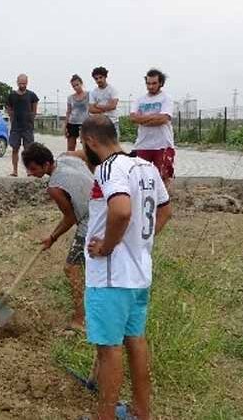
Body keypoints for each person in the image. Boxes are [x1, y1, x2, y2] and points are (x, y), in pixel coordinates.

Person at [79, 115, 172, 420]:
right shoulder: (146, 167)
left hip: (111, 277)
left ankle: (105, 416)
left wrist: (107, 246)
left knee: (109, 350)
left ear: (91, 141)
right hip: (139, 275)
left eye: (83, 144)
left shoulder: (109, 168)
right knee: (136, 342)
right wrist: (139, 243)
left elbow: (120, 211)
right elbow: (165, 211)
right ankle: (141, 411)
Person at [22, 142, 93, 333]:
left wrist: (52, 238)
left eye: (33, 168)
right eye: (28, 169)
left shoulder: (54, 187)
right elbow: (88, 154)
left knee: (72, 268)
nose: (30, 173)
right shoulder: (69, 156)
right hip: (105, 210)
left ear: (46, 164)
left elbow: (70, 218)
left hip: (91, 223)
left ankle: (80, 319)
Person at [130, 69, 175, 191]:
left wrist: (143, 118)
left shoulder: (166, 98)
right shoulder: (139, 100)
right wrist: (155, 117)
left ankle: (165, 202)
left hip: (162, 144)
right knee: (141, 175)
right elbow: (133, 118)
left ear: (160, 83)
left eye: (154, 83)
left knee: (164, 175)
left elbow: (164, 118)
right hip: (143, 144)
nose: (151, 86)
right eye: (148, 83)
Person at [6, 74, 39, 177]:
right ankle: (15, 171)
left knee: (28, 150)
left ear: (27, 82)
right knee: (15, 149)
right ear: (17, 82)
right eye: (20, 83)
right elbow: (9, 108)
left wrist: (31, 119)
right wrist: (12, 118)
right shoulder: (12, 95)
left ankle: (29, 171)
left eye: (24, 83)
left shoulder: (32, 95)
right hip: (16, 127)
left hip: (27, 127)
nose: (22, 85)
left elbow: (34, 109)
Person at [89, 67, 120, 137]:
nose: (98, 80)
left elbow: (113, 106)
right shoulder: (93, 92)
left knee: (113, 146)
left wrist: (98, 106)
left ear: (105, 77)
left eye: (100, 77)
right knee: (100, 146)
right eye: (96, 78)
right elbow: (91, 109)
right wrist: (107, 107)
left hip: (112, 122)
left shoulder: (112, 90)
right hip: (99, 123)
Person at [65, 74, 89, 151]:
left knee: (86, 146)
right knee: (71, 147)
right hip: (72, 123)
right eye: (73, 86)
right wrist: (65, 126)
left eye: (77, 85)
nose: (76, 87)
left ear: (81, 83)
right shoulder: (70, 97)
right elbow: (68, 112)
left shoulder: (89, 95)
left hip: (84, 123)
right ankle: (70, 161)